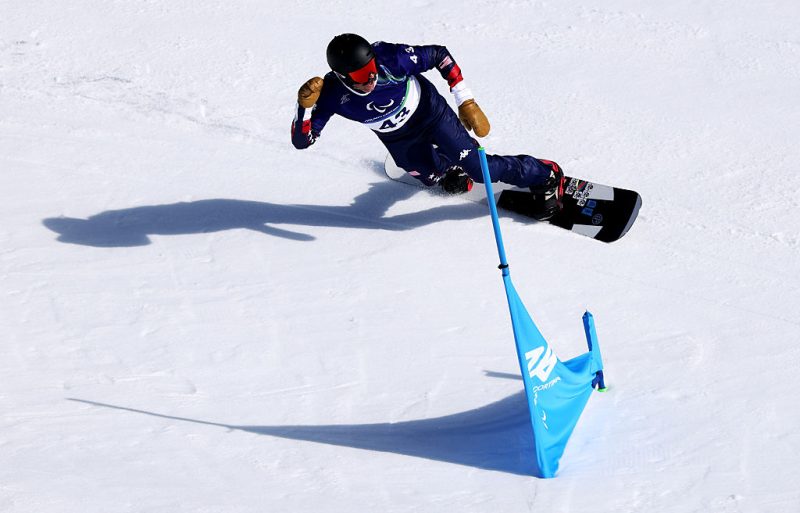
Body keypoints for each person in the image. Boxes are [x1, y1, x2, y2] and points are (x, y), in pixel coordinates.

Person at [291, 33, 565, 220]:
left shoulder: (390, 58)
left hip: (431, 115)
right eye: (361, 76)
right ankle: (446, 168)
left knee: (482, 171)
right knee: (434, 179)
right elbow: (303, 141)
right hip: (398, 139)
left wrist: (466, 100)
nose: (371, 78)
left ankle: (544, 174)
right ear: (342, 77)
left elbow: (439, 55)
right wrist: (303, 108)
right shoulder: (330, 95)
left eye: (371, 68)